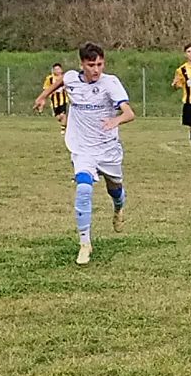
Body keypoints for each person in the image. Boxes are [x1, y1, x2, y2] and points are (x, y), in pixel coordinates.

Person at [33, 42, 135, 266]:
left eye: (100, 64)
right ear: (82, 64)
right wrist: (42, 96)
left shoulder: (110, 83)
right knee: (83, 189)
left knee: (115, 188)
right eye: (91, 65)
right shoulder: (71, 78)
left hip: (107, 148)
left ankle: (118, 208)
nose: (96, 69)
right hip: (82, 148)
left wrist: (116, 120)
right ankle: (85, 243)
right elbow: (61, 81)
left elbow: (129, 113)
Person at [42, 62, 69, 131]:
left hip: (63, 99)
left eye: (58, 69)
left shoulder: (65, 77)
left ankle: (63, 129)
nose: (57, 71)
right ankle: (64, 123)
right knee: (58, 117)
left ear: (61, 70)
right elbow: (45, 88)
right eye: (55, 69)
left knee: (63, 114)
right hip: (54, 101)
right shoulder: (50, 78)